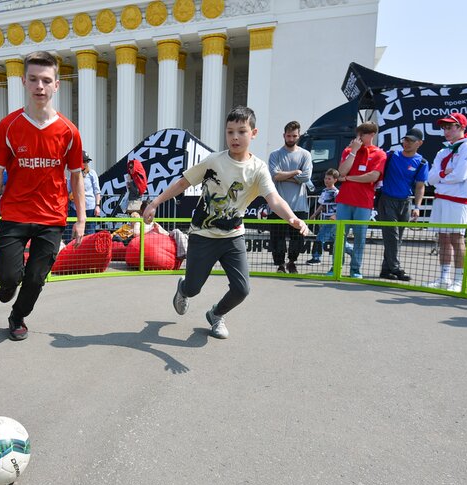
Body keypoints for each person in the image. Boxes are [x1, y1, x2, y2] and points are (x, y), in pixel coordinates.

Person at [142, 106, 310, 340]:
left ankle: (216, 314)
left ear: (254, 133)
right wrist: (155, 203)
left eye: (241, 131)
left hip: (232, 237)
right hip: (202, 234)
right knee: (193, 288)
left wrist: (292, 217)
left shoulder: (258, 168)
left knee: (242, 289)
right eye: (230, 132)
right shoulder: (213, 161)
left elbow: (274, 199)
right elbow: (182, 183)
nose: (235, 137)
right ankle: (183, 288)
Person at [0, 50, 85, 341]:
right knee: (7, 276)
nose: (39, 87)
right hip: (15, 215)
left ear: (57, 85)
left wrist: (81, 218)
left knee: (36, 278)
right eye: (33, 79)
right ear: (23, 81)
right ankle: (8, 283)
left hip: (52, 218)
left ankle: (17, 315)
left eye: (46, 80)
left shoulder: (69, 131)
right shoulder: (8, 126)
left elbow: (76, 176)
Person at [425, 112, 467, 291]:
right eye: (444, 127)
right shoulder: (443, 150)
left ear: (461, 127)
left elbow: (460, 175)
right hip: (441, 198)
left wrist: (443, 176)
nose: (446, 130)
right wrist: (444, 173)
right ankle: (444, 278)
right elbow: (431, 178)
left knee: (457, 238)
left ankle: (458, 281)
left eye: (450, 127)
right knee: (442, 238)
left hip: (458, 199)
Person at [333, 121, 387, 278]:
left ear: (372, 135)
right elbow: (340, 172)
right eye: (358, 134)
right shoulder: (349, 150)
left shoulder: (379, 154)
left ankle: (355, 268)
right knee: (340, 235)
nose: (359, 137)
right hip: (344, 200)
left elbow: (372, 176)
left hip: (364, 202)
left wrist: (349, 178)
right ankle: (335, 267)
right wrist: (353, 151)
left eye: (363, 134)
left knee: (359, 237)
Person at [377, 128, 429, 281]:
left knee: (397, 238)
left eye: (411, 141)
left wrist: (417, 207)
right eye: (405, 140)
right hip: (387, 199)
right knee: (392, 235)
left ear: (420, 143)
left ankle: (386, 270)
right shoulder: (391, 155)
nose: (406, 143)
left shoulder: (422, 162)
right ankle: (396, 268)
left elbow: (420, 186)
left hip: (405, 202)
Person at [268, 121, 313, 273]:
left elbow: (306, 176)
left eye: (294, 135)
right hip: (277, 206)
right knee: (277, 239)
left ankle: (292, 262)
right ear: (284, 135)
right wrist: (295, 173)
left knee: (297, 239)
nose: (291, 138)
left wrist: (284, 176)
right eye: (289, 135)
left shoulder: (305, 155)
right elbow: (274, 175)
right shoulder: (275, 154)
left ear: (299, 135)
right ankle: (280, 265)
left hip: (299, 206)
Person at [306, 168, 340, 264]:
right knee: (336, 239)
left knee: (320, 237)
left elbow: (340, 206)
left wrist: (335, 215)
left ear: (335, 180)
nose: (326, 181)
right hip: (325, 218)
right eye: (325, 178)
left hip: (332, 219)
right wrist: (314, 215)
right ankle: (351, 250)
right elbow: (322, 205)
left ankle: (316, 258)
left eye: (329, 179)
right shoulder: (324, 191)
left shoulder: (336, 192)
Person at [66, 151, 101, 240]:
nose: (85, 163)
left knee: (89, 233)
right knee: (72, 232)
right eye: (84, 161)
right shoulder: (73, 174)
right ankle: (72, 251)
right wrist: (70, 196)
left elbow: (97, 191)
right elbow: (68, 190)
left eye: (87, 161)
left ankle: (88, 252)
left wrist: (97, 206)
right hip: (75, 207)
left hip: (90, 207)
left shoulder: (92, 173)